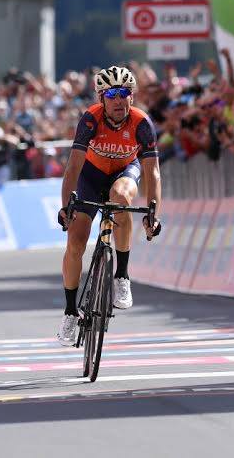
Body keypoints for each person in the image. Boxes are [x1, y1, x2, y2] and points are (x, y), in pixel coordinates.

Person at [55, 66, 163, 347]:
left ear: (132, 96)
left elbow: (153, 174)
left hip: (125, 171)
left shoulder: (141, 124)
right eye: (112, 94)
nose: (118, 100)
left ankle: (122, 275)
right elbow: (73, 168)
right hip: (90, 175)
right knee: (76, 241)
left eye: (124, 93)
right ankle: (69, 311)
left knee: (121, 199)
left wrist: (153, 213)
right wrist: (67, 206)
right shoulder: (90, 120)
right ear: (101, 98)